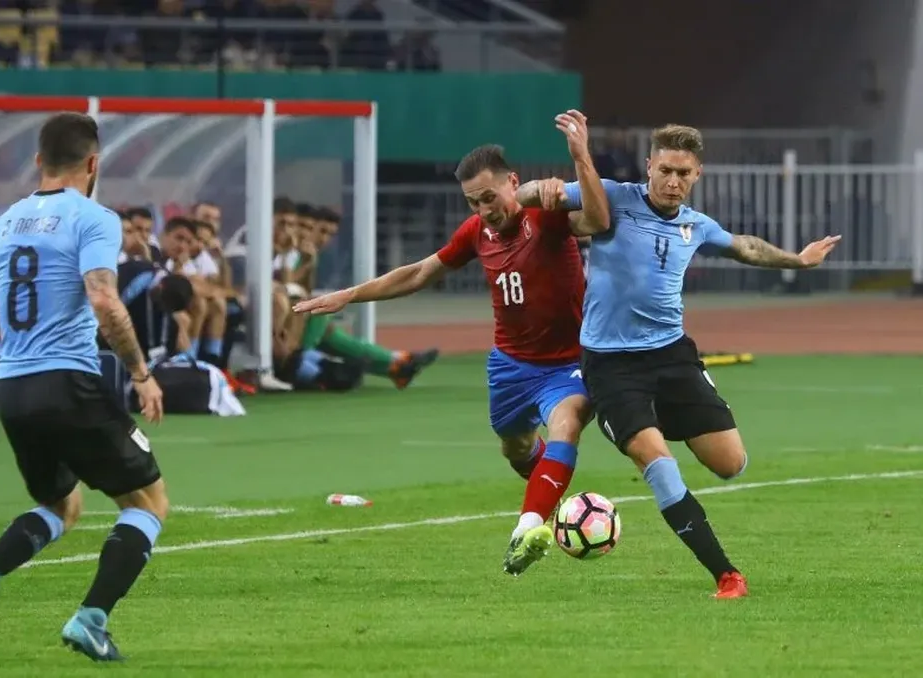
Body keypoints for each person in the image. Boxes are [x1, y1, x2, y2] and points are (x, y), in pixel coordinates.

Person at [522, 117, 840, 599]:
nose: (674, 181)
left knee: (731, 464)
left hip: (672, 356)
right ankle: (726, 574)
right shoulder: (612, 196)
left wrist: (799, 259)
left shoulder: (696, 225)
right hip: (611, 364)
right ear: (648, 166)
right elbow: (528, 196)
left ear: (697, 175)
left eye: (684, 174)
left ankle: (639, 427)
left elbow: (745, 247)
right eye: (666, 170)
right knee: (660, 463)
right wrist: (540, 187)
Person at [294, 126, 608, 576]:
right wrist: (350, 294)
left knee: (567, 424)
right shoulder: (476, 233)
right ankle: (550, 497)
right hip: (511, 366)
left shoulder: (547, 216)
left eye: (488, 197)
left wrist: (581, 158)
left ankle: (527, 528)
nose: (483, 209)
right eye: (473, 202)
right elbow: (420, 273)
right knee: (516, 449)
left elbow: (597, 220)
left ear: (513, 183)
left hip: (568, 363)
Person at [0, 112, 168, 660]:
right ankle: (90, 620)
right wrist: (141, 374)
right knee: (148, 503)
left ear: (38, 161)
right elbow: (103, 298)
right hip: (67, 380)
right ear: (94, 163)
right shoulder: (93, 218)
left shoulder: (2, 225)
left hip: (14, 392)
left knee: (63, 504)